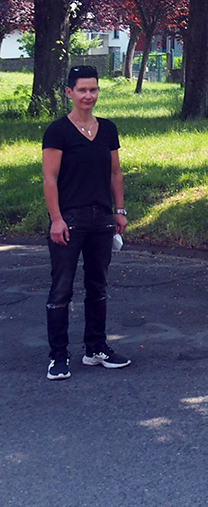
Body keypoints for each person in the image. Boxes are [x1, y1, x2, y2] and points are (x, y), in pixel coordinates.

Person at [41, 65, 132, 380]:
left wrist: (119, 210)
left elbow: (115, 173)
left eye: (93, 89)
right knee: (61, 289)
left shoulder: (107, 129)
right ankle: (58, 356)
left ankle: (96, 348)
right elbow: (50, 179)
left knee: (98, 286)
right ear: (69, 92)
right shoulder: (58, 131)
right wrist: (56, 219)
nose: (88, 95)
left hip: (102, 219)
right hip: (70, 219)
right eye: (81, 90)